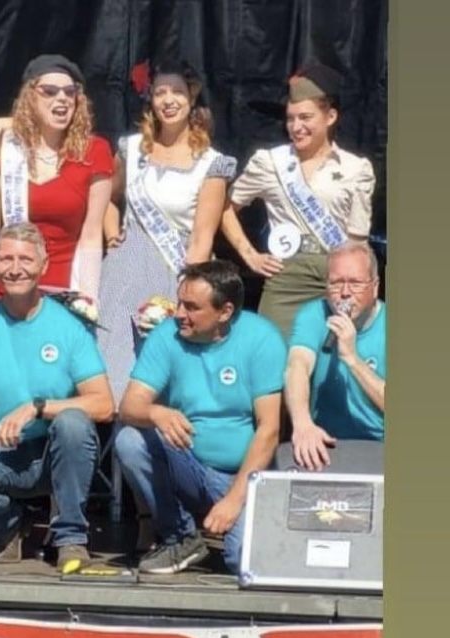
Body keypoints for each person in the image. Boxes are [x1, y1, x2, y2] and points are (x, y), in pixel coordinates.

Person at [0, 222, 114, 573]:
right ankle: (10, 523)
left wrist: (38, 408)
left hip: (59, 452)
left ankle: (71, 538)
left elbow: (104, 405)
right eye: (6, 259)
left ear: (44, 266)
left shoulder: (69, 326)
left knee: (73, 423)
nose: (15, 269)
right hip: (4, 453)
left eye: (25, 259)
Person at [113, 260, 286, 575]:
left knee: (244, 561)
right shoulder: (167, 335)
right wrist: (156, 411)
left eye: (192, 307)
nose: (180, 313)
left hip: (242, 476)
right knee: (129, 439)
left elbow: (269, 429)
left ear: (225, 312)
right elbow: (129, 406)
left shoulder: (261, 338)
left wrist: (234, 500)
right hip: (188, 464)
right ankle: (181, 537)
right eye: (180, 302)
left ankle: (232, 530)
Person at [98, 58, 236, 403]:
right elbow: (109, 197)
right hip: (125, 269)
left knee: (165, 366)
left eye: (177, 91)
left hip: (177, 269)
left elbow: (202, 237)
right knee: (115, 362)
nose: (168, 100)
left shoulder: (211, 162)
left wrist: (185, 293)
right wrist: (112, 234)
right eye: (160, 92)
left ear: (192, 98)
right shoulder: (132, 149)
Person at [220, 63, 376, 339]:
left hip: (337, 276)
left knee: (334, 356)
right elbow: (224, 208)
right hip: (286, 276)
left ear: (330, 116)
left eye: (305, 117)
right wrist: (250, 255)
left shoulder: (356, 168)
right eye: (290, 119)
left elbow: (358, 239)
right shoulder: (270, 162)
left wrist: (358, 286)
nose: (296, 127)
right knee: (274, 355)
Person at [0, 54, 113, 304]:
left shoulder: (94, 151)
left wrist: (88, 300)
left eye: (70, 92)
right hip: (5, 285)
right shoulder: (0, 147)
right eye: (49, 91)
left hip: (63, 287)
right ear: (30, 97)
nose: (62, 98)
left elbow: (92, 234)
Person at [280, 240, 385, 473]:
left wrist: (352, 359)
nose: (345, 293)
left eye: (355, 283)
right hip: (325, 442)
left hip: (380, 445)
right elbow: (297, 366)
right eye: (337, 283)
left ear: (375, 286)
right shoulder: (314, 314)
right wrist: (302, 424)